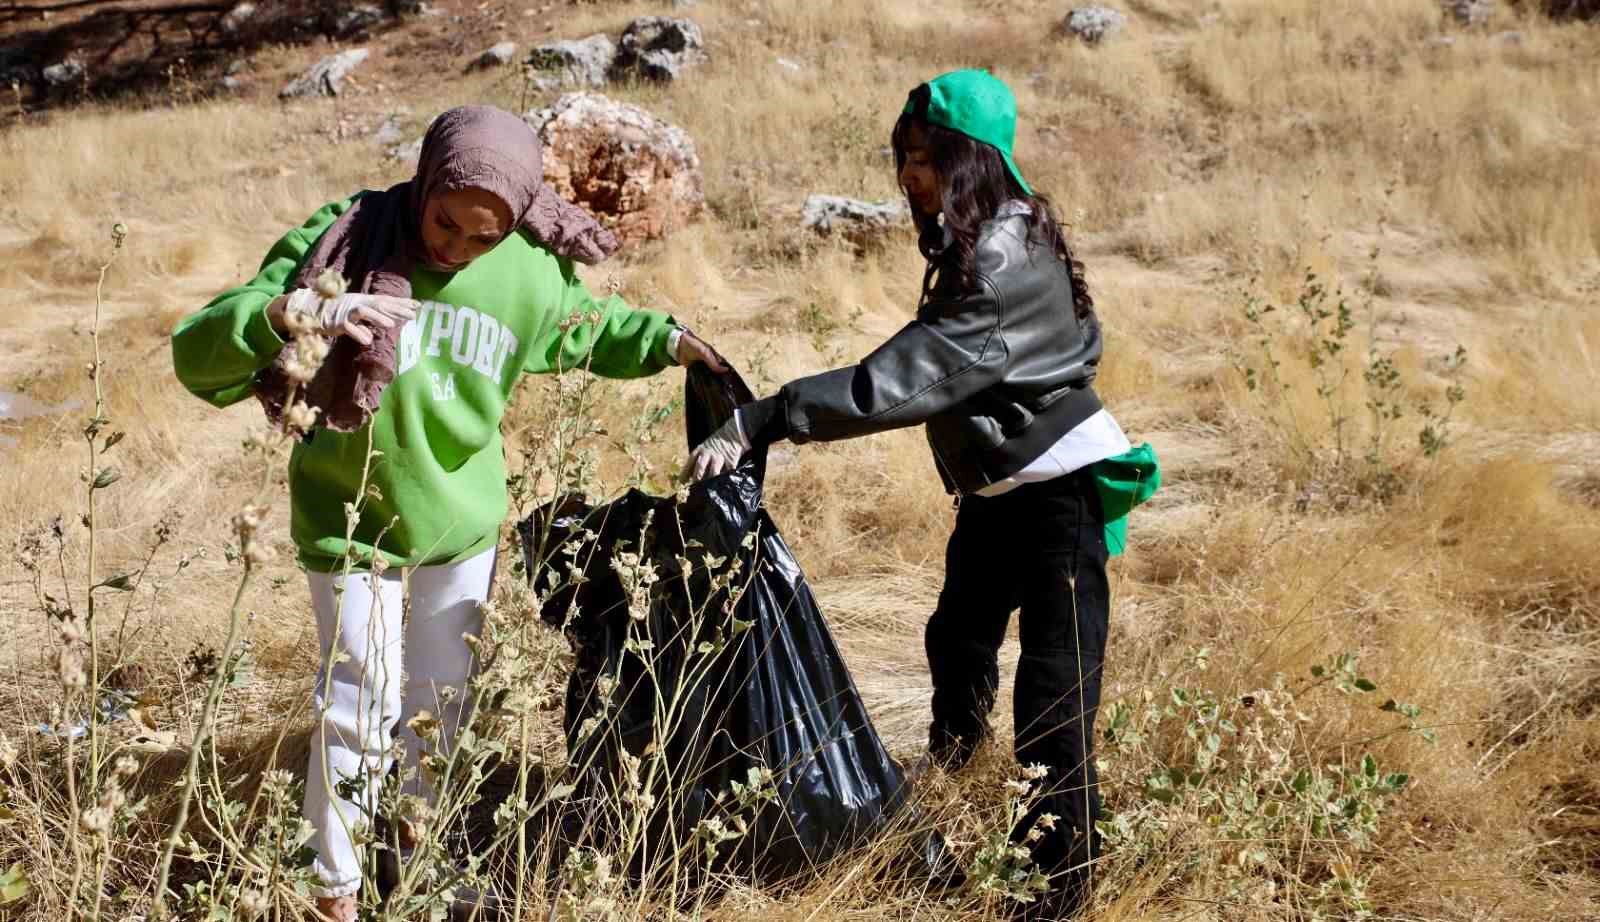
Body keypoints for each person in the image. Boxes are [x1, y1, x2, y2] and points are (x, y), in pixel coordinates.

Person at [172, 105, 723, 922]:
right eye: (444, 220)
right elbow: (197, 349)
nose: (455, 246)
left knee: (439, 707)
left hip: (457, 524)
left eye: (482, 236)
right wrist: (294, 313)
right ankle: (336, 890)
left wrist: (672, 342)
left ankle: (415, 849)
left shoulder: (526, 272)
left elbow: (587, 328)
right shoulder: (351, 236)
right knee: (358, 697)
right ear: (427, 181)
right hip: (345, 517)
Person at [690, 70, 1158, 919]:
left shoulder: (997, 258)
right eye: (903, 157)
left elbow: (897, 382)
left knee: (1054, 693)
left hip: (1059, 496)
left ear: (969, 159)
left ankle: (1055, 889)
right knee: (958, 637)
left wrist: (767, 418)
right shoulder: (997, 231)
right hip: (1003, 490)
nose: (909, 175)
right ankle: (953, 773)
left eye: (925, 157)